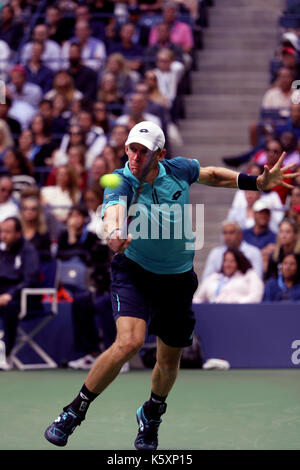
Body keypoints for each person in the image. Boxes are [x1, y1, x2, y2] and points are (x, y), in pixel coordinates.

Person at [44, 121, 296, 450]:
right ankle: (74, 412)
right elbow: (113, 212)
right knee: (129, 342)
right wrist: (114, 234)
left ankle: (151, 414)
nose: (134, 156)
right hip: (134, 271)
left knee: (168, 361)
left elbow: (213, 175)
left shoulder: (178, 169)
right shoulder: (121, 180)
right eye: (131, 149)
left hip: (177, 279)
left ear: (160, 155)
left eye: (142, 151)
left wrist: (257, 182)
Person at [0, 217, 40, 370]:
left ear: (18, 233)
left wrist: (10, 294)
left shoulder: (28, 250)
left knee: (10, 306)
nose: (3, 235)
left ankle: (7, 355)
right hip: (3, 295)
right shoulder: (2, 251)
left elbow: (31, 279)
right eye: (1, 231)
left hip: (24, 298)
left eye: (7, 232)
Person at [193, 248, 264, 303]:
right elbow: (197, 299)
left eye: (232, 261)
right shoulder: (214, 277)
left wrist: (236, 302)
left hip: (240, 313)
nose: (228, 265)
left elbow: (256, 297)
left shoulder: (250, 275)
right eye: (225, 261)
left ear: (239, 262)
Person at [20, 196, 52, 262]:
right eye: (26, 208)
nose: (29, 212)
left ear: (38, 212)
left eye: (33, 209)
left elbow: (47, 259)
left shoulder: (44, 234)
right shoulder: (16, 230)